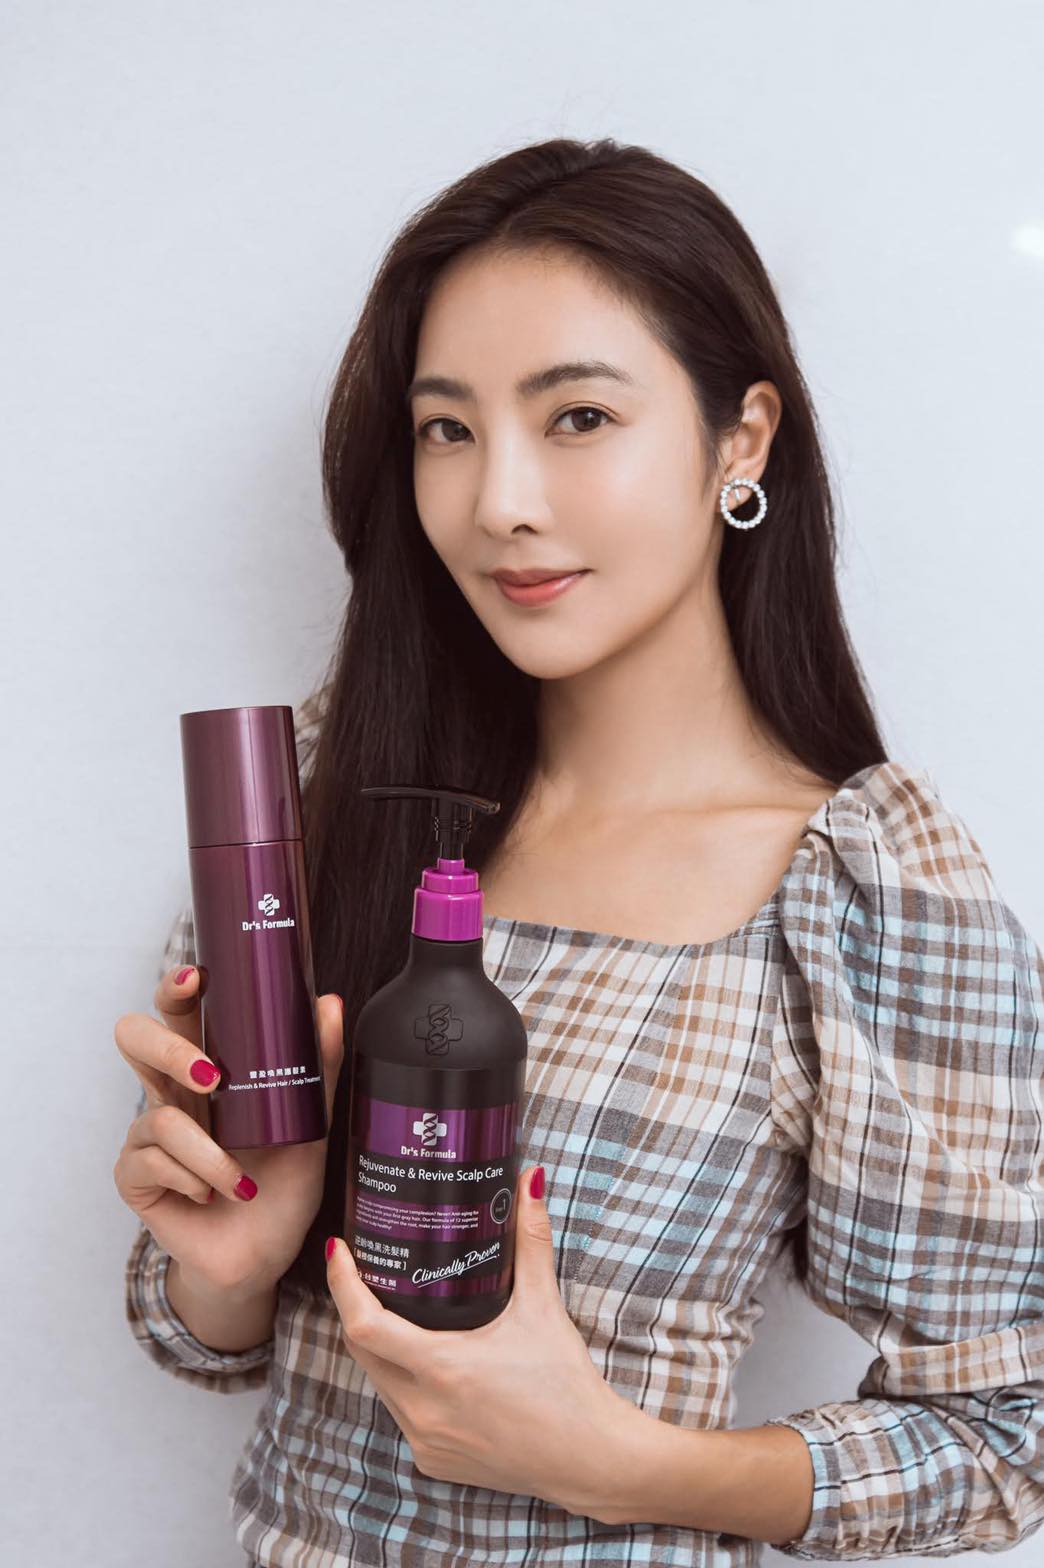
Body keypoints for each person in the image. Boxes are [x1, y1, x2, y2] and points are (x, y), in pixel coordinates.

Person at [113, 137, 1044, 1566]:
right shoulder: (323, 801)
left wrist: (623, 1464)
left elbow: (1005, 1431)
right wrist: (237, 1259)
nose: (500, 501)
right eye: (447, 429)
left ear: (741, 442)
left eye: (580, 417)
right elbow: (198, 1337)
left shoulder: (864, 885)